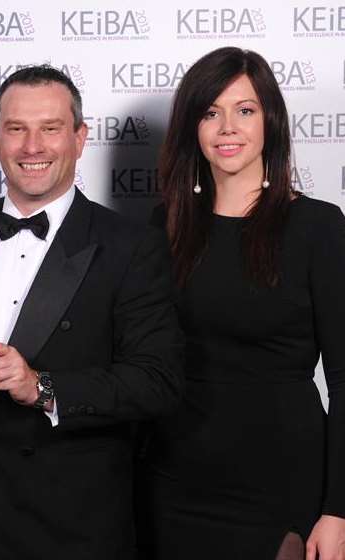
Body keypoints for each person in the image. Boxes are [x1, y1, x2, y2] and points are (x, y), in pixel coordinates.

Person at [0, 65, 184, 560]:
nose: (32, 147)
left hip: (74, 522)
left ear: (80, 138)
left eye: (51, 128)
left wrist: (40, 386)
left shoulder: (130, 245)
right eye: (17, 129)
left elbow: (158, 381)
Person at [140, 46, 345, 560]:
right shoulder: (161, 228)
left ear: (270, 122)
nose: (227, 127)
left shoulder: (318, 227)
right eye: (211, 112)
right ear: (192, 126)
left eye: (245, 110)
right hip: (173, 477)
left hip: (280, 483)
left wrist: (338, 508)